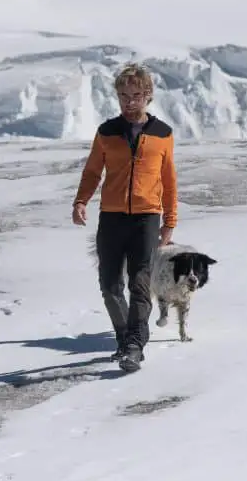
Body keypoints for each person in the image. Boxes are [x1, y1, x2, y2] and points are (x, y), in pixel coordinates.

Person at [72, 63, 178, 372]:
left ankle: (134, 345)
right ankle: (124, 337)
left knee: (140, 282)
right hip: (112, 217)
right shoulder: (107, 132)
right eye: (123, 96)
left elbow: (169, 181)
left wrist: (169, 221)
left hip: (146, 218)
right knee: (109, 285)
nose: (129, 102)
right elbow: (93, 171)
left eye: (135, 96)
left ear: (148, 96)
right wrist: (81, 201)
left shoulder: (162, 134)